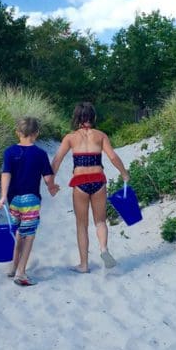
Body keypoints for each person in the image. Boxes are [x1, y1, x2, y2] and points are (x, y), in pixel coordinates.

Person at [50, 102, 131, 273]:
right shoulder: (100, 135)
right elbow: (113, 157)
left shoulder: (70, 138)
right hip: (98, 181)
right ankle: (103, 249)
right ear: (93, 117)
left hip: (80, 182)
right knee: (100, 221)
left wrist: (51, 182)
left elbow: (57, 160)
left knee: (81, 225)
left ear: (77, 118)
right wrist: (124, 173)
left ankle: (84, 265)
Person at [0, 117, 59, 286]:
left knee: (18, 232)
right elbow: (48, 179)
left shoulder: (9, 152)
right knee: (29, 235)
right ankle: (21, 272)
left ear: (18, 132)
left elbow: (6, 174)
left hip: (14, 200)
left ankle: (13, 266)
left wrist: (3, 196)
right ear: (36, 134)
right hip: (31, 200)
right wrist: (53, 187)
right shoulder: (40, 154)